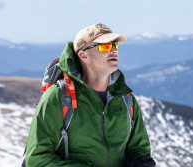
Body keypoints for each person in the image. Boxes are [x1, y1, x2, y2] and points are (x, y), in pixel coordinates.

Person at [25, 23, 156, 167]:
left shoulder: (125, 98)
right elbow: (37, 158)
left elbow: (139, 149)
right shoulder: (58, 97)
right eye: (105, 46)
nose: (114, 50)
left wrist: (141, 162)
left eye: (115, 45)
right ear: (83, 55)